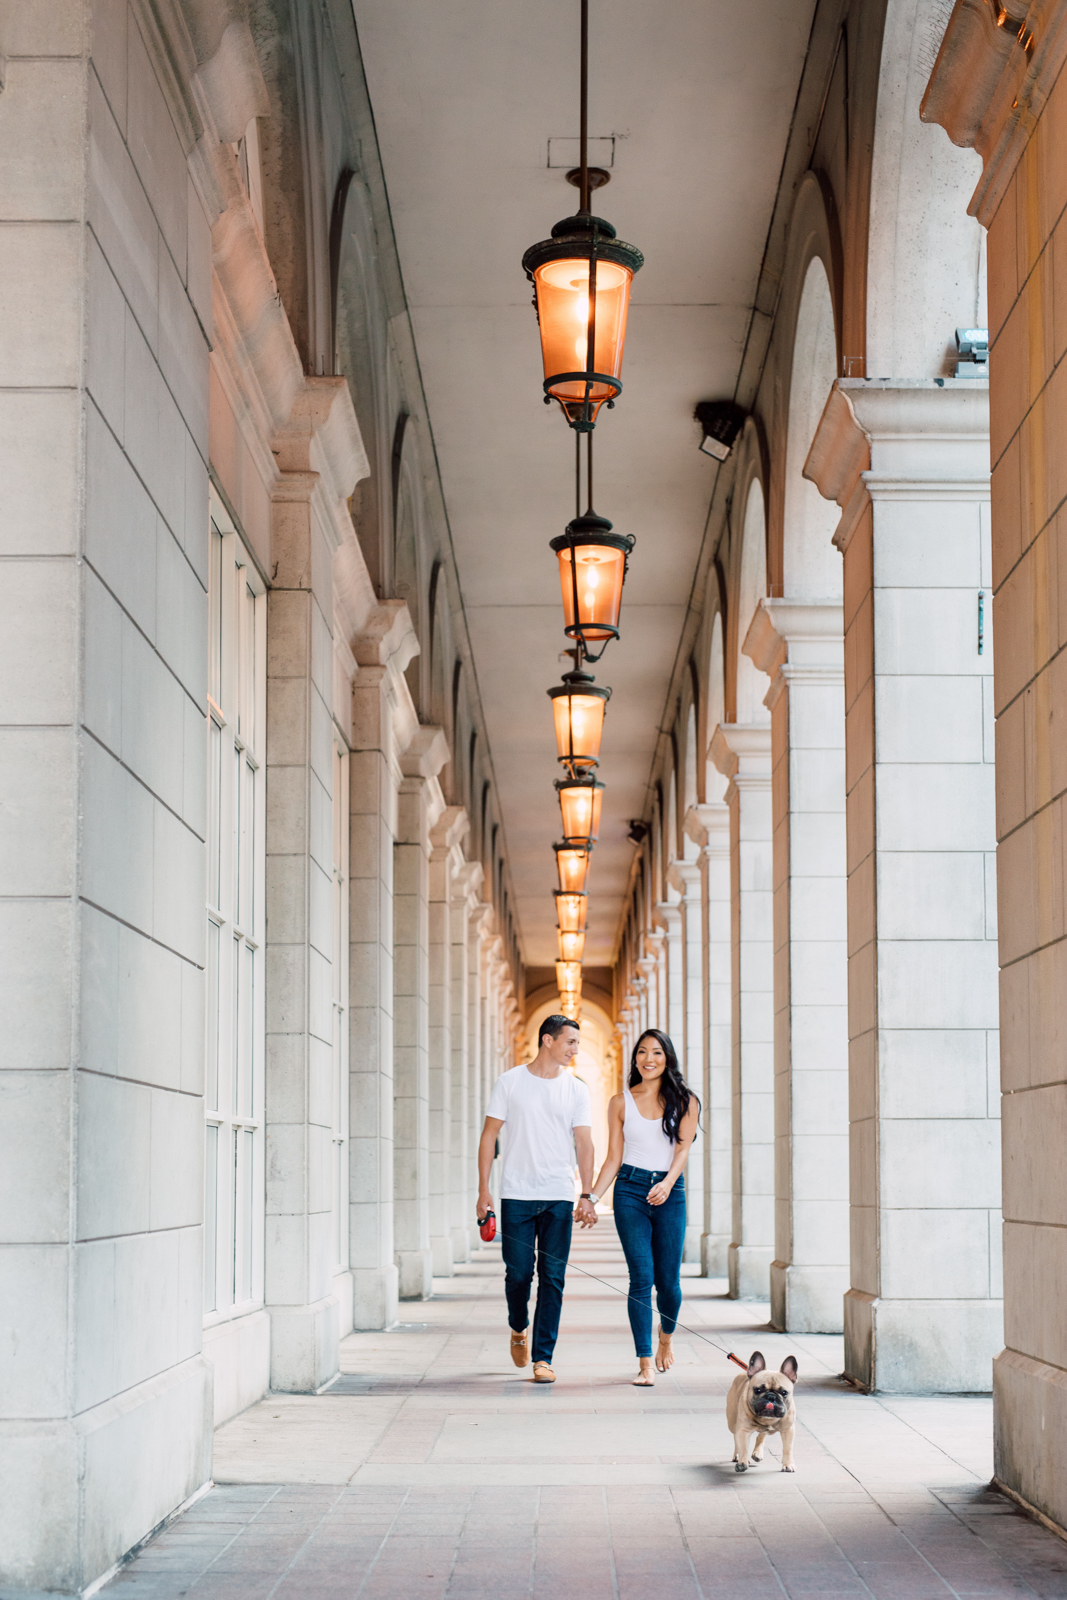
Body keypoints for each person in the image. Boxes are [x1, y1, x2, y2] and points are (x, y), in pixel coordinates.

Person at [476, 1015, 595, 1384]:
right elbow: (488, 1136)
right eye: (570, 1042)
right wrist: (484, 1190)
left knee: (553, 1277)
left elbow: (585, 1143)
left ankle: (543, 1358)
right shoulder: (510, 1082)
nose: (576, 1049)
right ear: (547, 1040)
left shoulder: (576, 1089)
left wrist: (587, 1194)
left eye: (577, 1043)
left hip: (558, 1194)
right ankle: (517, 1327)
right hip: (516, 1193)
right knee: (518, 1274)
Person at [583, 1029, 699, 1385]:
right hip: (630, 1192)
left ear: (668, 1059)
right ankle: (645, 1361)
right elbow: (613, 1158)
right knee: (640, 1278)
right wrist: (590, 1197)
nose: (649, 1059)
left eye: (657, 1053)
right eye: (643, 1053)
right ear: (634, 1059)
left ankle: (666, 1337)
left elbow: (682, 1149)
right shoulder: (620, 1102)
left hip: (670, 1192)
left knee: (669, 1284)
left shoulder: (686, 1100)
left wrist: (666, 1183)